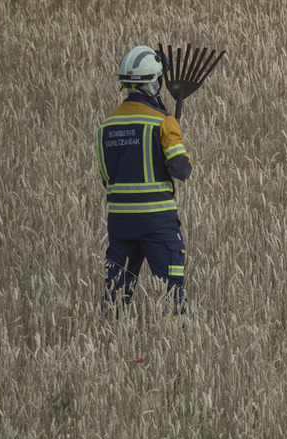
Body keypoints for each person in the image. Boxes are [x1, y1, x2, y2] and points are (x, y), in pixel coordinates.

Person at [96, 45, 192, 315]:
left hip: (120, 222)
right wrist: (176, 136)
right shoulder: (163, 122)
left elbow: (107, 178)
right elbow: (181, 170)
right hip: (157, 222)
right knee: (173, 296)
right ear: (155, 82)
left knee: (116, 296)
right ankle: (179, 341)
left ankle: (110, 343)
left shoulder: (106, 126)